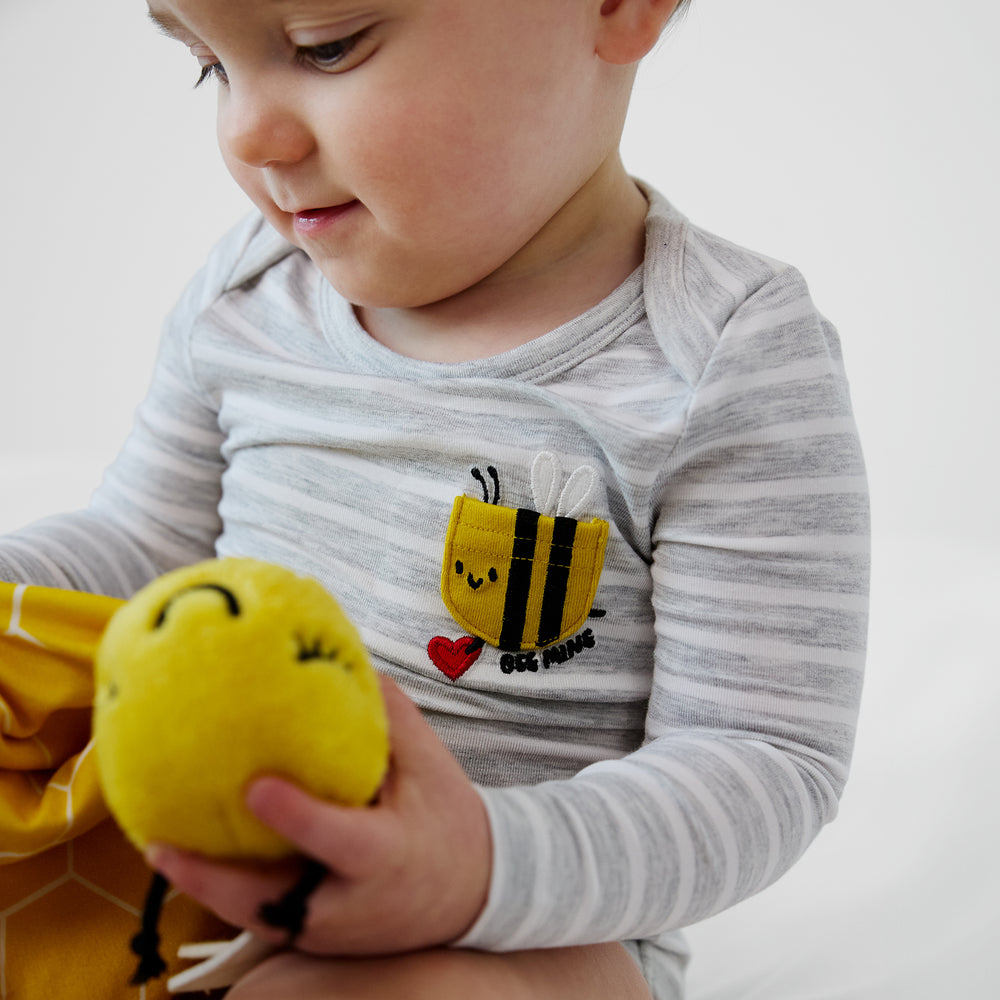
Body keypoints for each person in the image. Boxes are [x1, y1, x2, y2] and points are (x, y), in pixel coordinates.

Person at [0, 0, 870, 997]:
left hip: (514, 934)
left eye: (327, 46)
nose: (245, 132)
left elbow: (761, 758)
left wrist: (480, 867)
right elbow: (139, 544)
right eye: (211, 68)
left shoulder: (721, 355)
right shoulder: (247, 292)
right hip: (188, 881)